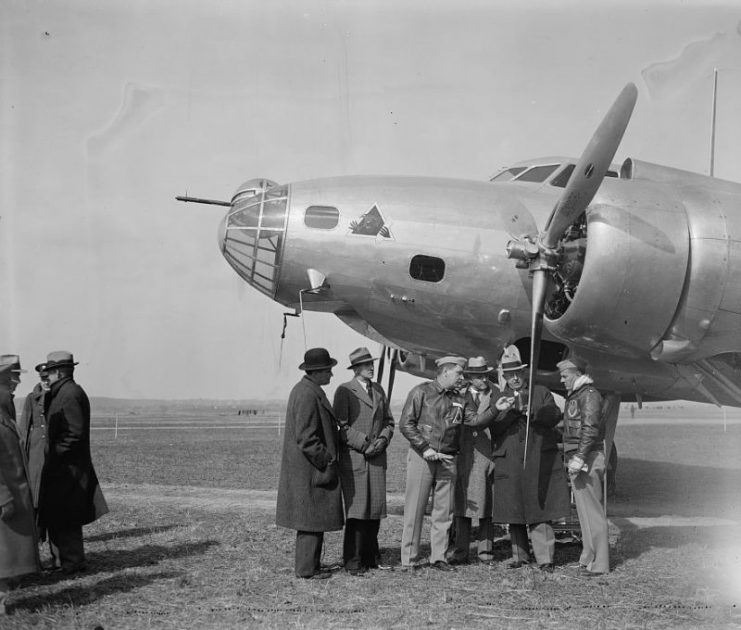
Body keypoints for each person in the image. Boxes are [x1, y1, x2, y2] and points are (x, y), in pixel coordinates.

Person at [399, 355, 488, 571]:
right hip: (423, 458)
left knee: (444, 511)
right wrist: (425, 448)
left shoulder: (460, 398)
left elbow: (474, 420)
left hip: (448, 459)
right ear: (445, 372)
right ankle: (408, 560)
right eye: (458, 373)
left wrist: (496, 409)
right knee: (415, 509)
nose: (461, 377)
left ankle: (438, 557)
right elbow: (406, 424)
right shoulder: (421, 392)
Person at [490, 347, 570, 572]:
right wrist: (509, 411)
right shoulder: (498, 397)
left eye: (518, 373)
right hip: (511, 462)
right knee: (513, 510)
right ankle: (519, 555)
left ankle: (545, 558)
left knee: (540, 509)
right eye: (509, 374)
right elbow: (494, 428)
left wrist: (530, 410)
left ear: (524, 373)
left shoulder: (541, 391)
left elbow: (554, 415)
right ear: (504, 377)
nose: (514, 378)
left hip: (537, 460)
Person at [276, 348, 344, 579]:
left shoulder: (307, 390)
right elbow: (306, 438)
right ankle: (306, 570)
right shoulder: (307, 394)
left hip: (309, 470)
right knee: (310, 520)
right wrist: (327, 459)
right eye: (328, 371)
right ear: (317, 372)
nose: (331, 376)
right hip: (311, 470)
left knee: (312, 520)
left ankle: (311, 566)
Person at [39, 351, 108, 574]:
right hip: (64, 467)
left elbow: (74, 434)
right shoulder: (64, 392)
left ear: (59, 372)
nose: (45, 377)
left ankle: (72, 563)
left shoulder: (69, 395)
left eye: (48, 373)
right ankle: (62, 561)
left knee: (66, 516)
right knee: (59, 514)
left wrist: (53, 454)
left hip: (68, 468)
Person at [333, 347, 395, 575]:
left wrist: (382, 440)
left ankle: (371, 558)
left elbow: (389, 422)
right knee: (357, 512)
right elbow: (341, 427)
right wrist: (364, 444)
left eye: (372, 364)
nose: (371, 368)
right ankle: (353, 561)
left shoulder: (378, 389)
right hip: (356, 460)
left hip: (377, 459)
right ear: (356, 368)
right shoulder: (344, 391)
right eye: (367, 365)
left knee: (374, 510)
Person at [558, 357, 609, 576]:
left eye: (565, 375)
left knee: (593, 512)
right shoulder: (579, 395)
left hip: (587, 457)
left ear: (577, 374)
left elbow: (590, 429)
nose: (562, 380)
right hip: (580, 457)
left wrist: (579, 458)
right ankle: (588, 557)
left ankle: (600, 564)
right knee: (584, 512)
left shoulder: (589, 395)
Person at [447, 356, 497, 565]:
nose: (484, 379)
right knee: (462, 505)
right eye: (479, 376)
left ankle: (485, 553)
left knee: (488, 506)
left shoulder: (496, 395)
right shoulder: (458, 397)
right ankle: (461, 551)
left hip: (489, 456)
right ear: (470, 377)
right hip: (465, 455)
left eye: (485, 375)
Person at [0, 355, 40, 614]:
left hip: (15, 493)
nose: (17, 384)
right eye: (11, 380)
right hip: (6, 497)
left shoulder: (5, 410)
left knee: (9, 555)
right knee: (4, 556)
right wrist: (3, 497)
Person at [18, 363, 50, 520]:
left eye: (48, 378)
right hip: (36, 447)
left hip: (53, 444)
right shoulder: (31, 398)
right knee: (35, 485)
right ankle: (36, 527)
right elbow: (24, 426)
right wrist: (22, 451)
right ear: (40, 379)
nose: (46, 382)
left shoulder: (58, 396)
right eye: (43, 379)